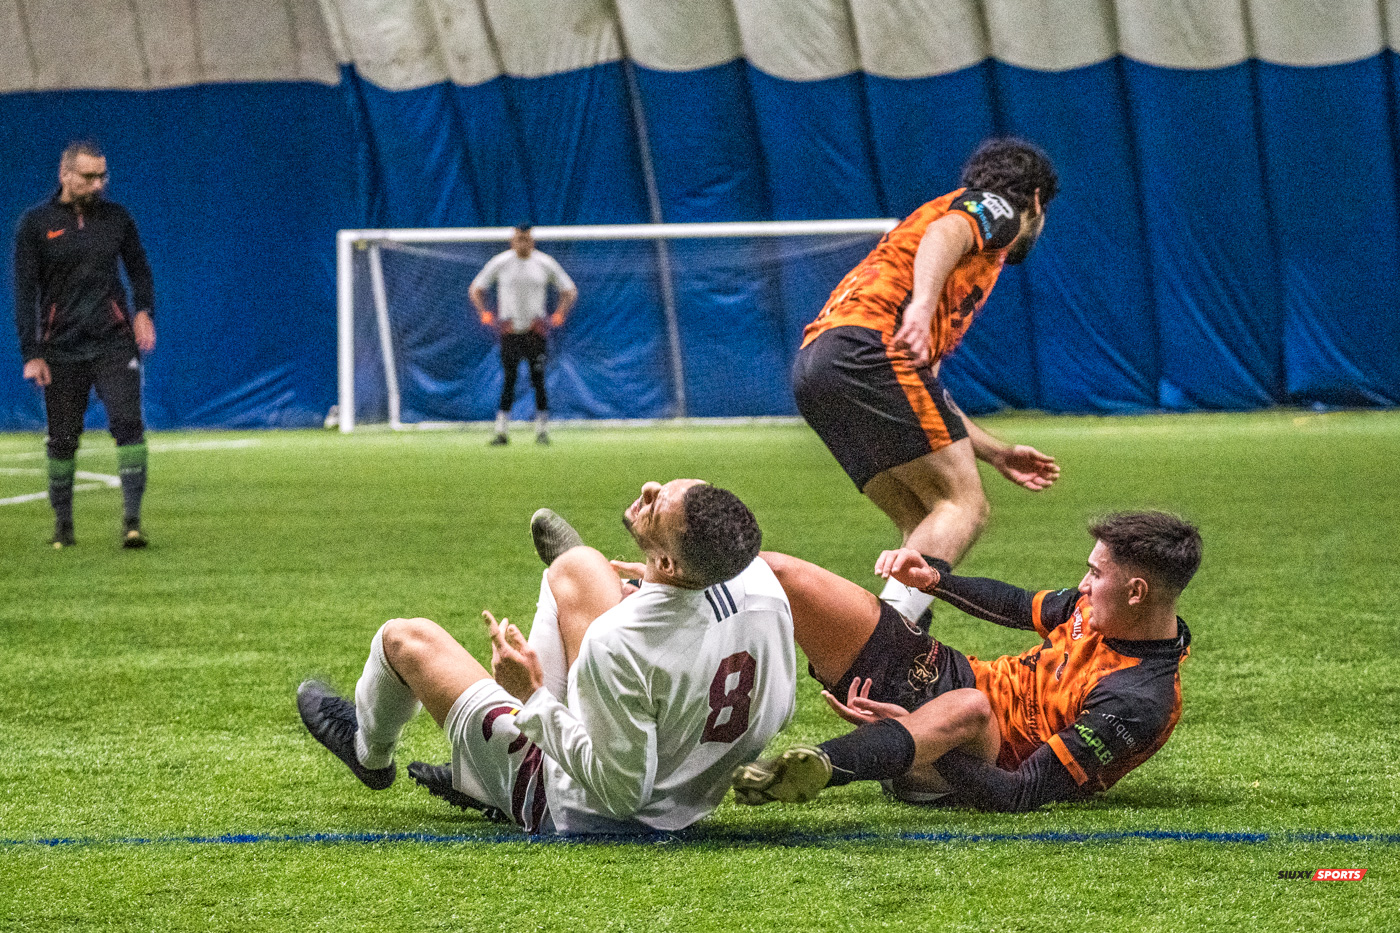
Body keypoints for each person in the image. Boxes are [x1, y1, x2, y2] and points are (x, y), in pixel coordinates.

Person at [296, 480, 797, 835]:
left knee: (405, 640)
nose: (647, 487)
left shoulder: (617, 641)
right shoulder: (761, 583)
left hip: (580, 806)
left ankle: (371, 754)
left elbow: (623, 796)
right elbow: (782, 706)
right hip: (685, 783)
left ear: (670, 562)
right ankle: (484, 768)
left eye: (656, 509)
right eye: (665, 487)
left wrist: (531, 696)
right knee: (578, 566)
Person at [733, 511, 1200, 812]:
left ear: (1137, 592)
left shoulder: (1138, 700)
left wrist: (913, 735)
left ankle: (824, 765)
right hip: (946, 675)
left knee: (971, 708)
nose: (1081, 584)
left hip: (964, 764)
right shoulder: (1094, 611)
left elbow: (1019, 792)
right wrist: (934, 579)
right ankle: (660, 589)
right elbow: (1018, 604)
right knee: (778, 572)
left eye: (1095, 575)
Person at [791, 138, 1062, 625]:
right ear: (1038, 201)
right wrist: (919, 304)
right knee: (964, 505)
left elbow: (925, 395)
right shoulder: (995, 208)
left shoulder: (956, 274)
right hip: (869, 348)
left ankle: (890, 643)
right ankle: (881, 647)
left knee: (924, 521)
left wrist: (996, 451)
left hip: (819, 366)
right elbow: (947, 231)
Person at [13, 140, 155, 549]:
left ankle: (132, 523)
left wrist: (143, 310)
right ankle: (63, 528)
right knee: (62, 438)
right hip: (60, 349)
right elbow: (25, 294)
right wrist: (32, 353)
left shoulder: (117, 218)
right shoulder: (35, 224)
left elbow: (140, 271)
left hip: (114, 343)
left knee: (129, 425)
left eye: (102, 176)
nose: (97, 184)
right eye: (89, 176)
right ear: (65, 174)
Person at [470, 225, 577, 446]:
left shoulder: (544, 263)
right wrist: (485, 314)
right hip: (510, 331)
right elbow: (476, 289)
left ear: (532, 241)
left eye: (526, 239)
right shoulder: (501, 262)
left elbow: (569, 290)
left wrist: (559, 315)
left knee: (538, 381)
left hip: (534, 332)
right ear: (512, 241)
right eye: (519, 239)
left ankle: (542, 431)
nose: (523, 244)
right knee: (509, 380)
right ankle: (501, 431)